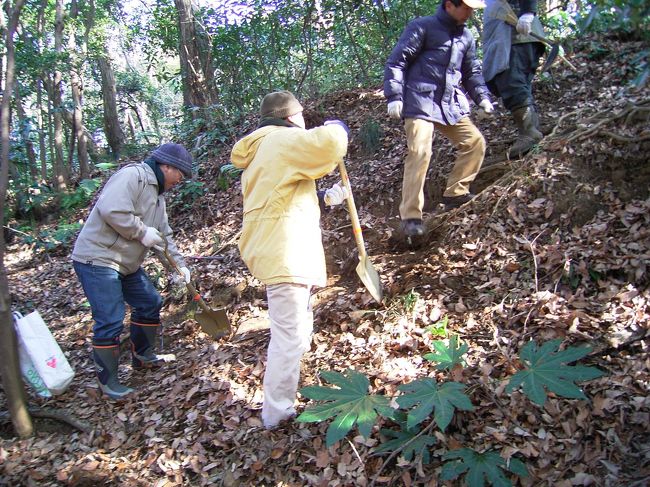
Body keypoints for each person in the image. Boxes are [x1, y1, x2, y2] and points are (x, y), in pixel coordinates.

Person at [230, 90, 349, 429]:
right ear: (289, 117)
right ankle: (277, 414)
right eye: (301, 116)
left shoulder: (263, 149)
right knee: (289, 335)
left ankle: (292, 391)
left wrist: (326, 198)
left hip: (279, 246)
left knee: (298, 328)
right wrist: (338, 128)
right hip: (284, 250)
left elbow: (282, 194)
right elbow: (327, 143)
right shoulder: (281, 140)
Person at [71, 143, 193, 400]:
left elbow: (164, 238)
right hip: (97, 258)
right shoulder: (133, 176)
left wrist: (179, 266)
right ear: (166, 166)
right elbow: (112, 209)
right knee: (110, 319)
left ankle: (143, 356)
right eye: (180, 173)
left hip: (126, 263)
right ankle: (109, 383)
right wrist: (141, 231)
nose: (181, 179)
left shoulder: (159, 198)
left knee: (150, 301)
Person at [384, 0, 494, 238]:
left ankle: (456, 192)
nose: (469, 12)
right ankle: (411, 217)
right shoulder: (422, 26)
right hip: (418, 101)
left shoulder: (466, 36)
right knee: (420, 152)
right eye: (465, 7)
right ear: (448, 5)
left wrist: (482, 97)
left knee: (474, 142)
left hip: (448, 104)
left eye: (471, 8)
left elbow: (471, 72)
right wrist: (394, 96)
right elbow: (397, 61)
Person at [483, 0, 545, 158]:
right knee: (518, 83)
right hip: (512, 36)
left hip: (515, 34)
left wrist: (528, 13)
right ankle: (532, 128)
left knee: (511, 81)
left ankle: (529, 132)